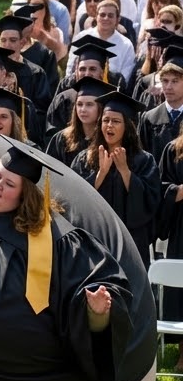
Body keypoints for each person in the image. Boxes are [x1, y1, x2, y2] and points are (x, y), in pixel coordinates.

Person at [72, 88, 159, 262]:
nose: (109, 125)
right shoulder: (85, 158)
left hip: (131, 243)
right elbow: (74, 199)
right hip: (94, 240)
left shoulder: (143, 160)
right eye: (105, 120)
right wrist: (101, 173)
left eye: (116, 121)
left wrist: (125, 171)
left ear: (127, 126)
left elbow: (150, 202)